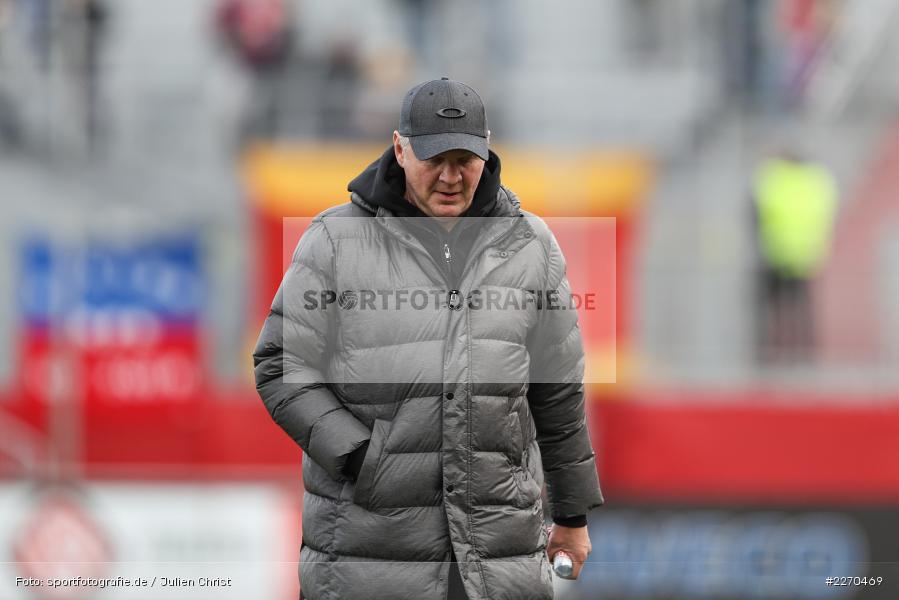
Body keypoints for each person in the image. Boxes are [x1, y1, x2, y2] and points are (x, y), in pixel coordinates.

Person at [253, 77, 603, 600]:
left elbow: (557, 392)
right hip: (364, 553)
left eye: (465, 159)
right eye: (434, 158)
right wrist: (358, 457)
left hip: (497, 555)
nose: (449, 176)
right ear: (399, 148)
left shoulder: (533, 245)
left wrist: (572, 515)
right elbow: (280, 365)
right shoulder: (331, 241)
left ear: (487, 153)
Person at [753, 149, 838, 362]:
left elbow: (758, 207)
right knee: (801, 311)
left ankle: (773, 355)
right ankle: (803, 355)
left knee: (775, 309)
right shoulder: (818, 180)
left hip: (776, 255)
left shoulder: (773, 178)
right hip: (806, 255)